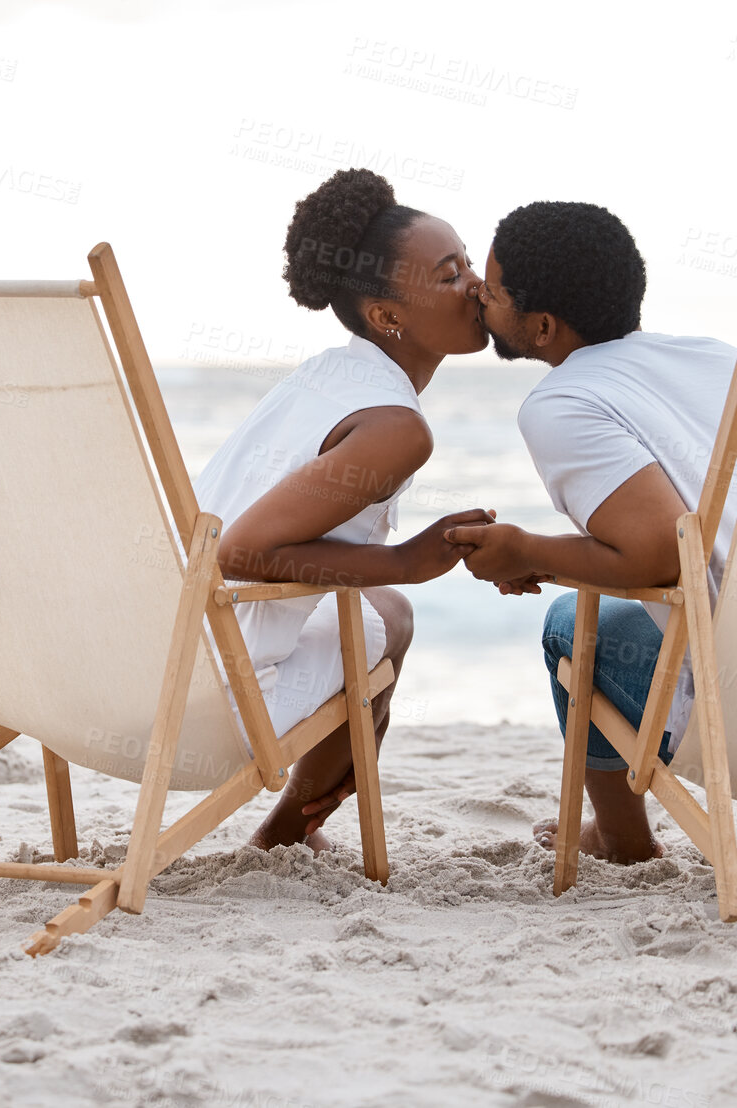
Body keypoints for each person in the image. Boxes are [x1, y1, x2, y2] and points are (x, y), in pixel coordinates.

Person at [445, 201, 737, 863]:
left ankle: (621, 838)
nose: (476, 291)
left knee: (572, 619)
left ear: (540, 326)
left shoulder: (562, 403)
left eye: (492, 289)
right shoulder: (711, 357)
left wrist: (523, 550)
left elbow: (659, 555)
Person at [193, 168, 494, 852]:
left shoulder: (326, 377)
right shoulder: (396, 428)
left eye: (469, 264)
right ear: (385, 317)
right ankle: (287, 835)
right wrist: (403, 560)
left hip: (153, 666)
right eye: (449, 275)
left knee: (383, 611)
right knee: (388, 611)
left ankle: (298, 826)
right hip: (215, 706)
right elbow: (239, 551)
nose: (475, 285)